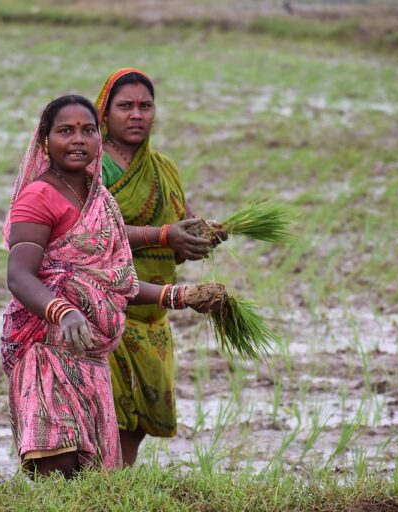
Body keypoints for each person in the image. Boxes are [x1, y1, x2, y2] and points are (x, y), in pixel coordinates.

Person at [0, 94, 226, 479]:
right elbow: (19, 275)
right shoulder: (37, 197)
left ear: (98, 137)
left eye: (87, 130)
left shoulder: (101, 200)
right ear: (44, 141)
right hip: (47, 355)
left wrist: (181, 296)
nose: (78, 140)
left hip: (92, 362)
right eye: (65, 131)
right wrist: (64, 310)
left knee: (96, 486)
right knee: (60, 473)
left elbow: (115, 284)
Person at [94, 68, 227, 466]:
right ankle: (101, 485)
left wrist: (206, 232)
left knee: (139, 415)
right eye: (125, 106)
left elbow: (180, 220)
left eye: (145, 106)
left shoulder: (164, 168)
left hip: (153, 315)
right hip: (105, 308)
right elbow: (93, 231)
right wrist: (166, 235)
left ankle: (117, 484)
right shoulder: (91, 167)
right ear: (104, 112)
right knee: (111, 412)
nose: (136, 114)